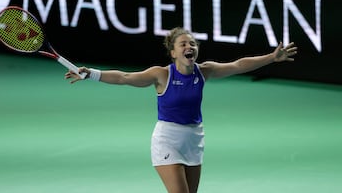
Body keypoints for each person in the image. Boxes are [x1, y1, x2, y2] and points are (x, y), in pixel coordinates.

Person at [64, 27, 298, 193]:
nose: (189, 46)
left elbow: (237, 65)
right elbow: (124, 77)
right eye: (183, 44)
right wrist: (91, 74)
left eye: (192, 44)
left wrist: (271, 58)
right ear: (173, 52)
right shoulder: (161, 75)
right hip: (167, 140)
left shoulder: (204, 71)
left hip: (195, 140)